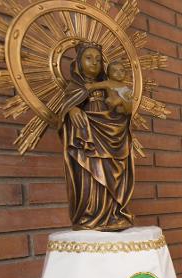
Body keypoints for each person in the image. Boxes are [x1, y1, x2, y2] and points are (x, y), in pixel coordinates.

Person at [58, 43, 135, 231]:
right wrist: (72, 109)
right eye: (89, 58)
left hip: (112, 135)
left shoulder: (111, 85)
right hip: (87, 137)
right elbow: (65, 106)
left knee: (113, 171)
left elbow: (125, 107)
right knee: (89, 173)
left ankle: (112, 213)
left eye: (99, 60)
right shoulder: (75, 86)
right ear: (78, 62)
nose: (94, 63)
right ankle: (90, 214)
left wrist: (120, 112)